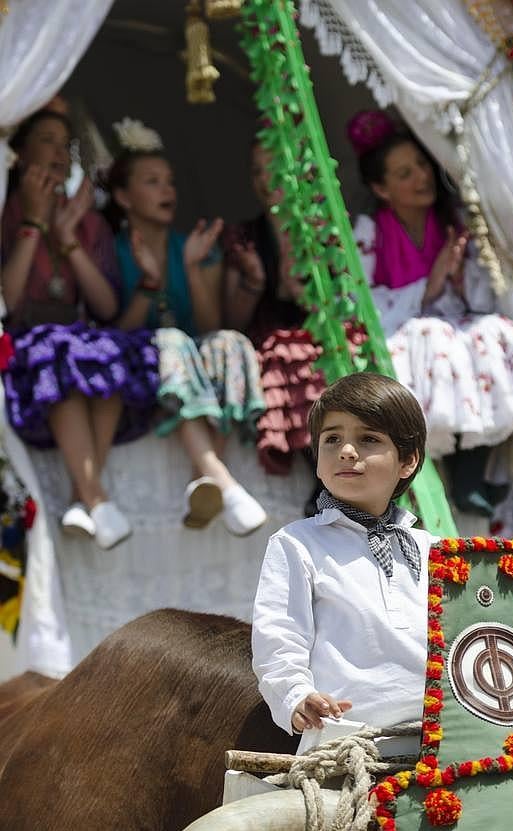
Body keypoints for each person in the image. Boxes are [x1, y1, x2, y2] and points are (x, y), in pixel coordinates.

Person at [251, 372, 513, 831]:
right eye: (332, 439)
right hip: (349, 752)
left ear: (408, 461)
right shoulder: (296, 544)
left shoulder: (445, 552)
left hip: (453, 754)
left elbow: (484, 649)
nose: (347, 451)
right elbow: (278, 640)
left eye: (368, 439)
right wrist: (296, 696)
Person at [348, 110, 513, 519]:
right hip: (404, 328)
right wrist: (429, 286)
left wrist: (455, 280)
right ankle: (437, 463)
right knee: (432, 338)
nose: (421, 177)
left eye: (421, 165)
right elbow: (362, 301)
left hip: (455, 322)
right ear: (381, 188)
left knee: (493, 332)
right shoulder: (370, 231)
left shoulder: (454, 221)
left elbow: (481, 295)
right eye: (404, 173)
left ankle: (473, 466)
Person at [1, 109, 160, 549]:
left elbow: (106, 306)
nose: (58, 151)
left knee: (104, 350)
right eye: (47, 139)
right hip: (26, 344)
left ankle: (84, 498)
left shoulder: (87, 220)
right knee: (58, 352)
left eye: (64, 143)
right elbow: (8, 302)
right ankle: (96, 496)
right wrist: (33, 221)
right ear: (19, 152)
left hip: (75, 339)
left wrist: (70, 236)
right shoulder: (5, 210)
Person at [106, 122, 267, 536]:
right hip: (141, 361)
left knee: (231, 342)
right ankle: (220, 478)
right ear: (123, 197)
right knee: (171, 341)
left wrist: (193, 270)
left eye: (170, 182)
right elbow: (115, 331)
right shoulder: (111, 250)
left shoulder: (194, 247)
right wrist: (147, 284)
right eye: (152, 182)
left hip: (185, 358)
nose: (167, 191)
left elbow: (211, 327)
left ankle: (206, 483)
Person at [223, 140, 326, 486]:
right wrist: (255, 281)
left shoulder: (321, 231)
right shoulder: (244, 237)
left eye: (274, 169)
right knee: (287, 353)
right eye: (256, 171)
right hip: (266, 337)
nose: (265, 179)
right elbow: (230, 321)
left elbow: (340, 307)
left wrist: (302, 290)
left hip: (318, 334)